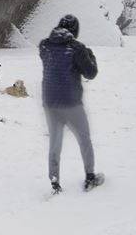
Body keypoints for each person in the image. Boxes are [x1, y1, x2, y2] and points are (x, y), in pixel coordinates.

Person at [39, 14, 102, 194]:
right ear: (75, 31)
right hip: (71, 102)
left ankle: (55, 182)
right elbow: (91, 73)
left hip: (50, 101)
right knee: (84, 138)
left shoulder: (44, 45)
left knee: (55, 142)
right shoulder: (77, 48)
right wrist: (89, 54)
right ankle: (90, 176)